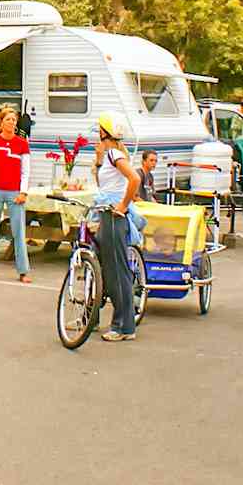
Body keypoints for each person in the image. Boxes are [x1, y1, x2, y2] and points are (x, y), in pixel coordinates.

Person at [92, 112, 143, 342]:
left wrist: (122, 205)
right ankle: (112, 321)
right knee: (109, 269)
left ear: (104, 132)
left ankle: (124, 326)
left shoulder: (114, 154)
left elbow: (135, 179)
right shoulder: (111, 154)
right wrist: (97, 161)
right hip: (106, 214)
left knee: (117, 272)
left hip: (114, 216)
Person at [0, 109, 32, 283]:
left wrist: (23, 192)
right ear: (1, 122)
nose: (12, 123)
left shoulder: (22, 144)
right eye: (8, 119)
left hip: (15, 192)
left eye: (14, 120)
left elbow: (25, 171)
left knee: (18, 231)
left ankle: (23, 271)